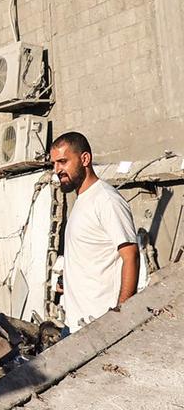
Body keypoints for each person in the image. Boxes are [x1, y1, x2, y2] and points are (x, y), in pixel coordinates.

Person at [52, 131, 139, 329]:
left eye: (63, 161)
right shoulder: (82, 200)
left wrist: (121, 316)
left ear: (85, 159)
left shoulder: (106, 200)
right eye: (54, 163)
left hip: (101, 326)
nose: (57, 169)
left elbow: (130, 256)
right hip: (76, 324)